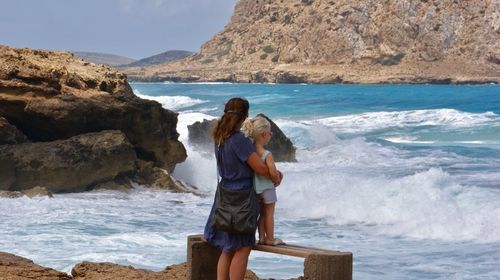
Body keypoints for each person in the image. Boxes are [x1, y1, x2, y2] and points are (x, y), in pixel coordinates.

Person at [204, 97, 282, 280]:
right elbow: (260, 168)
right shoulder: (239, 140)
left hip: (224, 194)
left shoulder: (220, 137)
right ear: (245, 116)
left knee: (227, 248)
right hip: (242, 198)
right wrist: (277, 175)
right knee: (242, 247)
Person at [241, 116, 285, 246]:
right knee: (269, 213)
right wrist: (278, 178)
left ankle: (261, 238)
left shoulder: (251, 151)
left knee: (262, 214)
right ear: (264, 134)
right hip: (267, 188)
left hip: (255, 188)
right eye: (270, 133)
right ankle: (271, 239)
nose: (271, 136)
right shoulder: (267, 154)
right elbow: (272, 172)